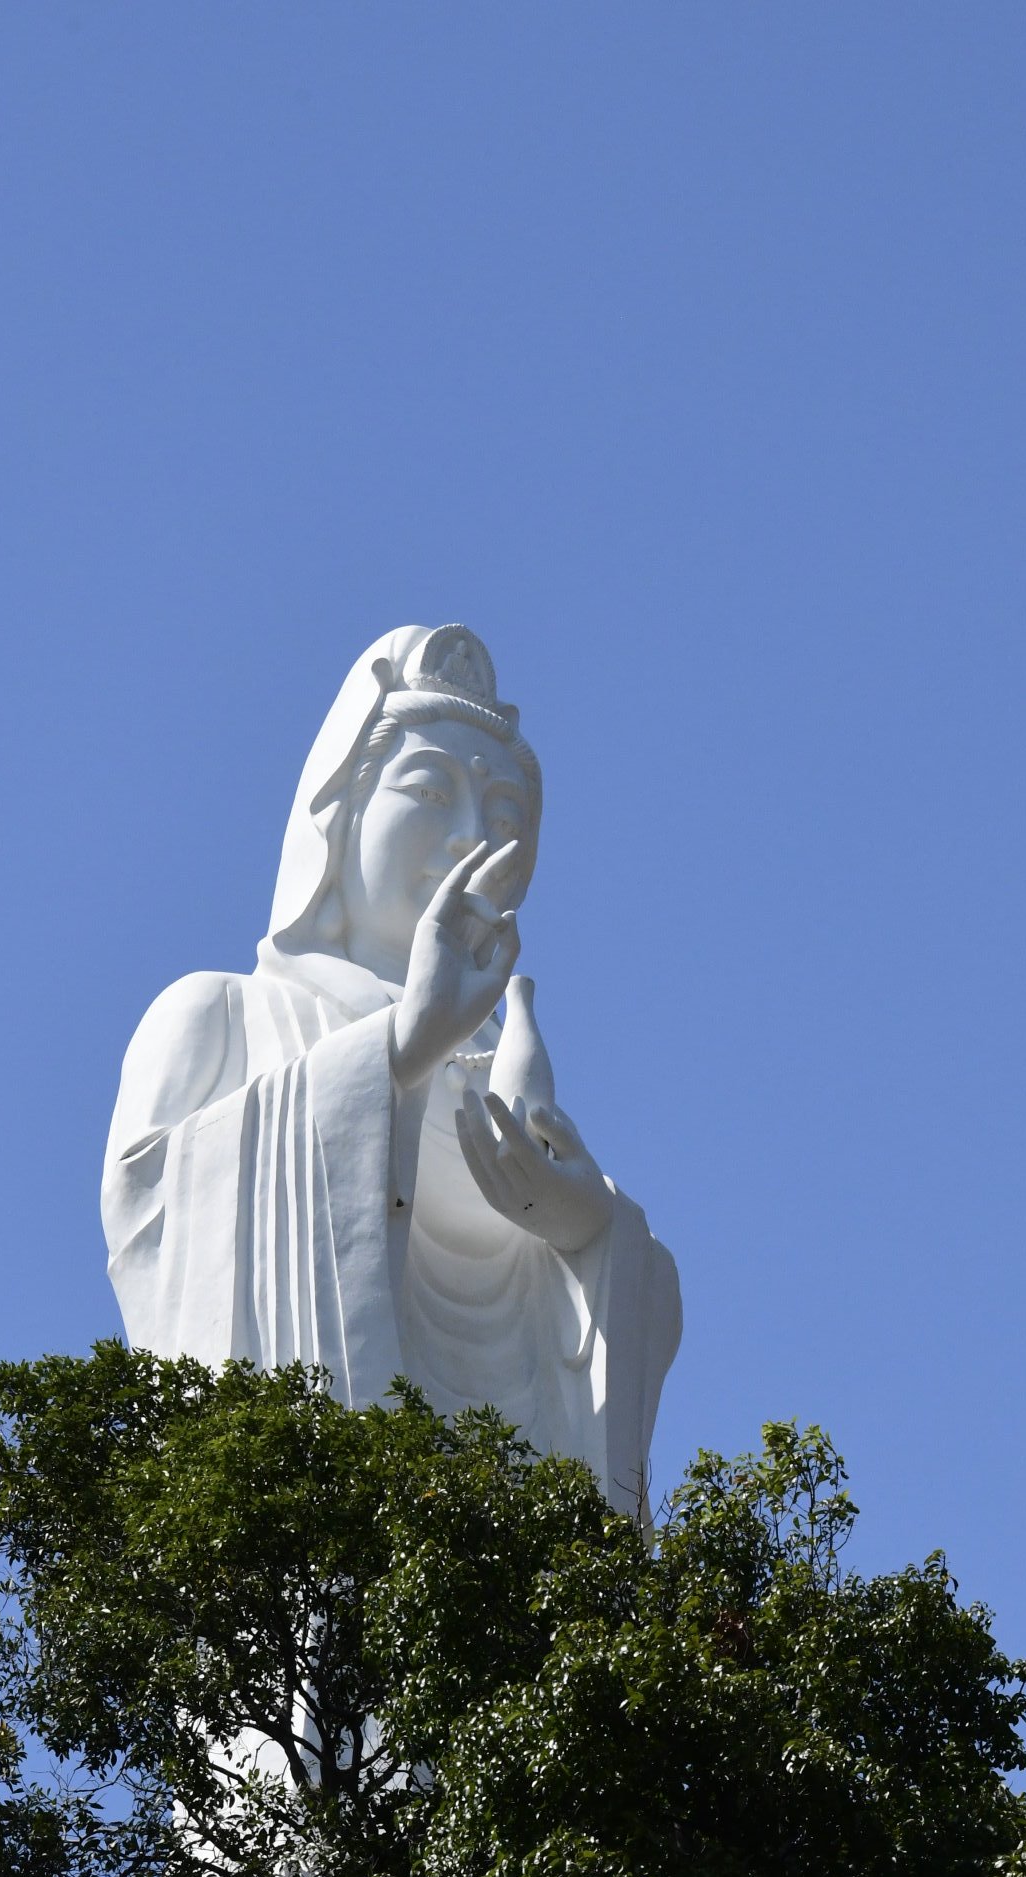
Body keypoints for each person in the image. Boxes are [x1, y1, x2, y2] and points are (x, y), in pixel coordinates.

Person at [102, 624, 681, 1516]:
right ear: (340, 813)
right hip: (317, 1545)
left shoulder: (503, 1078)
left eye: (504, 819)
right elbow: (151, 1218)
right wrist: (397, 1051)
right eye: (431, 791)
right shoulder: (223, 1014)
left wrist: (590, 1232)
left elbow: (642, 1304)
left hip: (505, 1542)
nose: (470, 841)